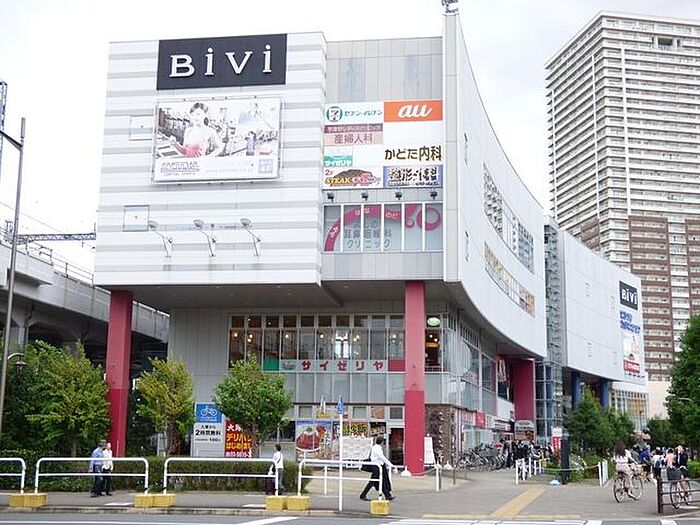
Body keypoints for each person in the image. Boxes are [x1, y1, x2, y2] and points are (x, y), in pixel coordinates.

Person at [359, 436, 395, 501]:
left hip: (378, 466)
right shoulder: (377, 449)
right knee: (374, 481)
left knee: (381, 480)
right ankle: (363, 495)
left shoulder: (375, 447)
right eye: (383, 442)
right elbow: (382, 457)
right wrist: (390, 464)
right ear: (382, 442)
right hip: (377, 467)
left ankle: (388, 495)